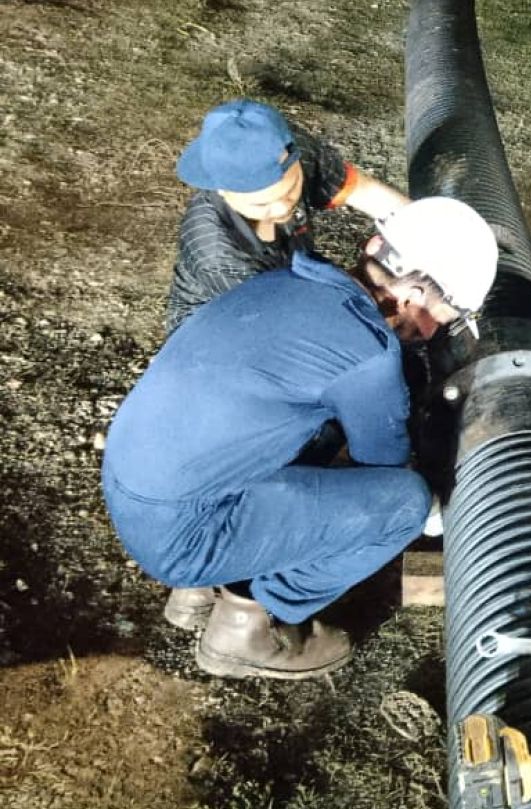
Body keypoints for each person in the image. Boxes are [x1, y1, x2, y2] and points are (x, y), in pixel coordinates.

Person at [102, 197, 498, 679]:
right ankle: (249, 621)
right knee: (404, 503)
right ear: (413, 293)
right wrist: (438, 507)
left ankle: (196, 595)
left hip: (136, 494)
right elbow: (383, 466)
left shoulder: (284, 282)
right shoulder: (367, 354)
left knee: (316, 419)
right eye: (443, 314)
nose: (435, 331)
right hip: (182, 539)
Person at [166, 98, 409, 335]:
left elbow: (365, 192)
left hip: (292, 273)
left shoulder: (293, 150)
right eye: (262, 204)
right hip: (224, 328)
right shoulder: (219, 255)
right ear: (222, 191)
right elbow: (283, 328)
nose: (282, 209)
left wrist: (421, 227)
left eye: (291, 189)